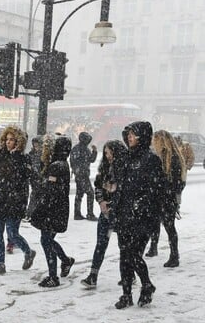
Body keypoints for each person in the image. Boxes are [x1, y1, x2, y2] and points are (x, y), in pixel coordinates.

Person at [113, 121, 163, 309]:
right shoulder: (127, 157)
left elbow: (156, 188)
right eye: (128, 134)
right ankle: (127, 293)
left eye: (133, 134)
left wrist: (141, 204)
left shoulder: (151, 159)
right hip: (123, 214)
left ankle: (147, 284)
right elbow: (120, 185)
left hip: (142, 217)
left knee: (133, 254)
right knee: (124, 255)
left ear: (142, 136)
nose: (129, 137)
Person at [0, 126, 37, 274]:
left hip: (15, 202)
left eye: (12, 140)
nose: (8, 142)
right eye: (7, 139)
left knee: (12, 233)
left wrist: (15, 157)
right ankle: (0, 264)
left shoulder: (23, 158)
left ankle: (28, 251)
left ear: (18, 141)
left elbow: (26, 179)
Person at [30, 134, 75, 287]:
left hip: (52, 210)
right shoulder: (61, 163)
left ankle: (53, 276)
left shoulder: (57, 165)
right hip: (58, 209)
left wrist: (39, 209)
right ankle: (66, 261)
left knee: (46, 240)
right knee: (48, 239)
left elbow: (50, 191)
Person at [80, 140, 127, 289]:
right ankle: (93, 275)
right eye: (105, 153)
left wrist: (113, 205)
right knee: (100, 244)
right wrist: (101, 202)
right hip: (105, 213)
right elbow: (98, 187)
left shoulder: (125, 169)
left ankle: (128, 275)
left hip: (120, 213)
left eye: (109, 152)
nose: (107, 156)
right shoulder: (104, 169)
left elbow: (124, 192)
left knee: (124, 246)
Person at [145, 130, 186, 267]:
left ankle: (174, 255)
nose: (153, 143)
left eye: (155, 140)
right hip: (160, 197)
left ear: (162, 142)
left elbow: (177, 183)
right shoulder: (161, 156)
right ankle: (155, 247)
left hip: (166, 199)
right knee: (156, 224)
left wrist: (165, 190)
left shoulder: (172, 158)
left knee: (169, 227)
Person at [70, 131, 98, 221]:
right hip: (82, 175)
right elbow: (74, 162)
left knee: (79, 194)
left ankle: (77, 214)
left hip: (82, 175)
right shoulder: (77, 149)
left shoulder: (84, 149)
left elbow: (91, 160)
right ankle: (89, 214)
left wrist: (94, 151)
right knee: (90, 193)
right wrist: (78, 171)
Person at [26, 136, 43, 219]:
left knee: (37, 195)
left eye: (37, 145)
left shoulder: (43, 154)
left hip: (40, 177)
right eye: (35, 145)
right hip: (34, 177)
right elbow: (29, 164)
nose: (36, 147)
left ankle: (33, 212)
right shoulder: (31, 153)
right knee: (34, 194)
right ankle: (31, 212)